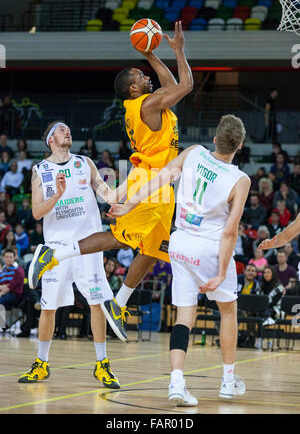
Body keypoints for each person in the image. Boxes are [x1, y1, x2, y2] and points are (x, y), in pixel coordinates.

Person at [28, 21, 193, 343]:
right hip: (149, 178)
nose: (147, 77)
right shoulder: (146, 104)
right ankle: (54, 255)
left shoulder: (149, 100)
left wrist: (151, 55)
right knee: (121, 237)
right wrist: (178, 51)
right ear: (133, 89)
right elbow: (185, 85)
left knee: (153, 248)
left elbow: (170, 84)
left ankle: (118, 303)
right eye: (141, 76)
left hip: (162, 181)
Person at [108, 114, 250, 404]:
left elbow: (160, 178)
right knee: (228, 311)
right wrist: (222, 272)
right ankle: (227, 381)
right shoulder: (240, 179)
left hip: (181, 243)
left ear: (214, 138)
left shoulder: (194, 152)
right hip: (210, 248)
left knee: (185, 316)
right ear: (240, 145)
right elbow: (231, 231)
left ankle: (176, 382)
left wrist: (129, 204)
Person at [18, 122, 120, 389]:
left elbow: (107, 192)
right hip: (57, 248)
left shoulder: (86, 162)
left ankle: (102, 365)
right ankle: (41, 363)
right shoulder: (40, 170)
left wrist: (123, 202)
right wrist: (58, 196)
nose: (68, 132)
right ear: (51, 139)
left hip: (88, 244)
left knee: (96, 302)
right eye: (62, 130)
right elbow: (37, 212)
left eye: (68, 129)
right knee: (49, 307)